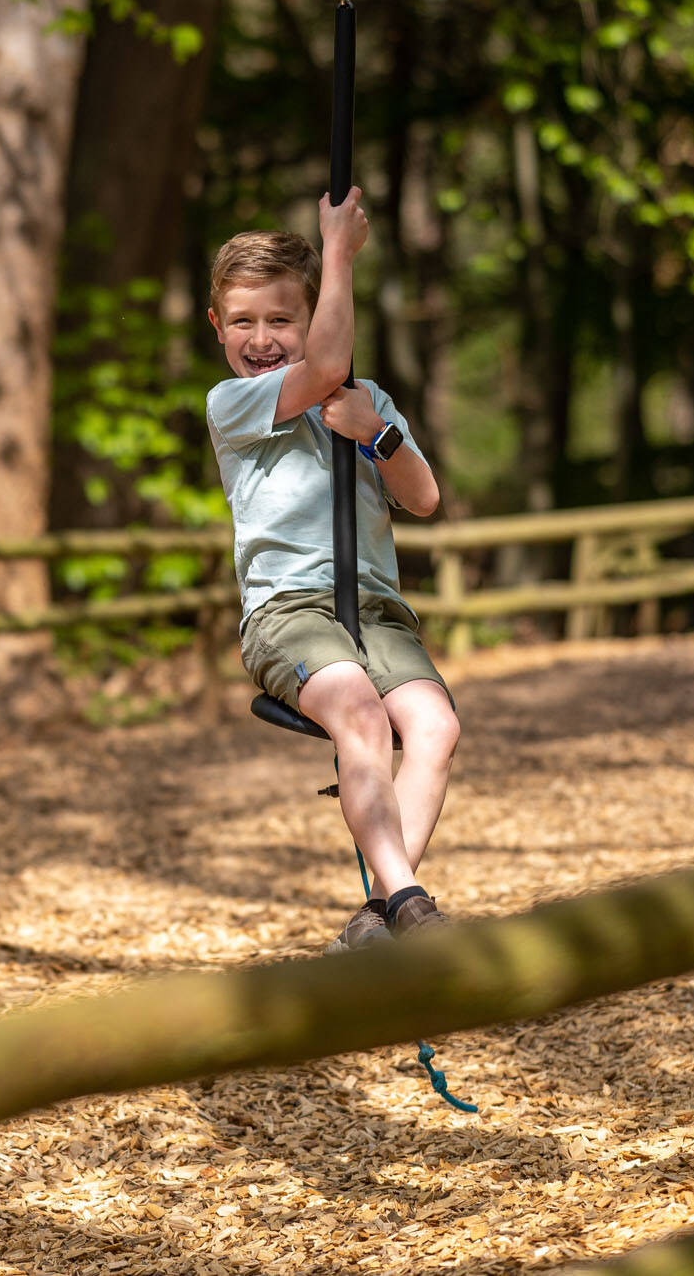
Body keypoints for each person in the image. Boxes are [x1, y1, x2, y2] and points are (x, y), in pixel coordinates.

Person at [204, 188, 458, 952]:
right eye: (242, 321)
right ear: (216, 326)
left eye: (282, 319)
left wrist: (376, 433)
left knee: (436, 726)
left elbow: (424, 497)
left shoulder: (367, 399)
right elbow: (324, 367)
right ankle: (408, 898)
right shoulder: (233, 404)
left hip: (376, 609)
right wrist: (339, 250)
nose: (261, 338)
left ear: (314, 316)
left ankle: (374, 913)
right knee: (361, 714)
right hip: (289, 611)